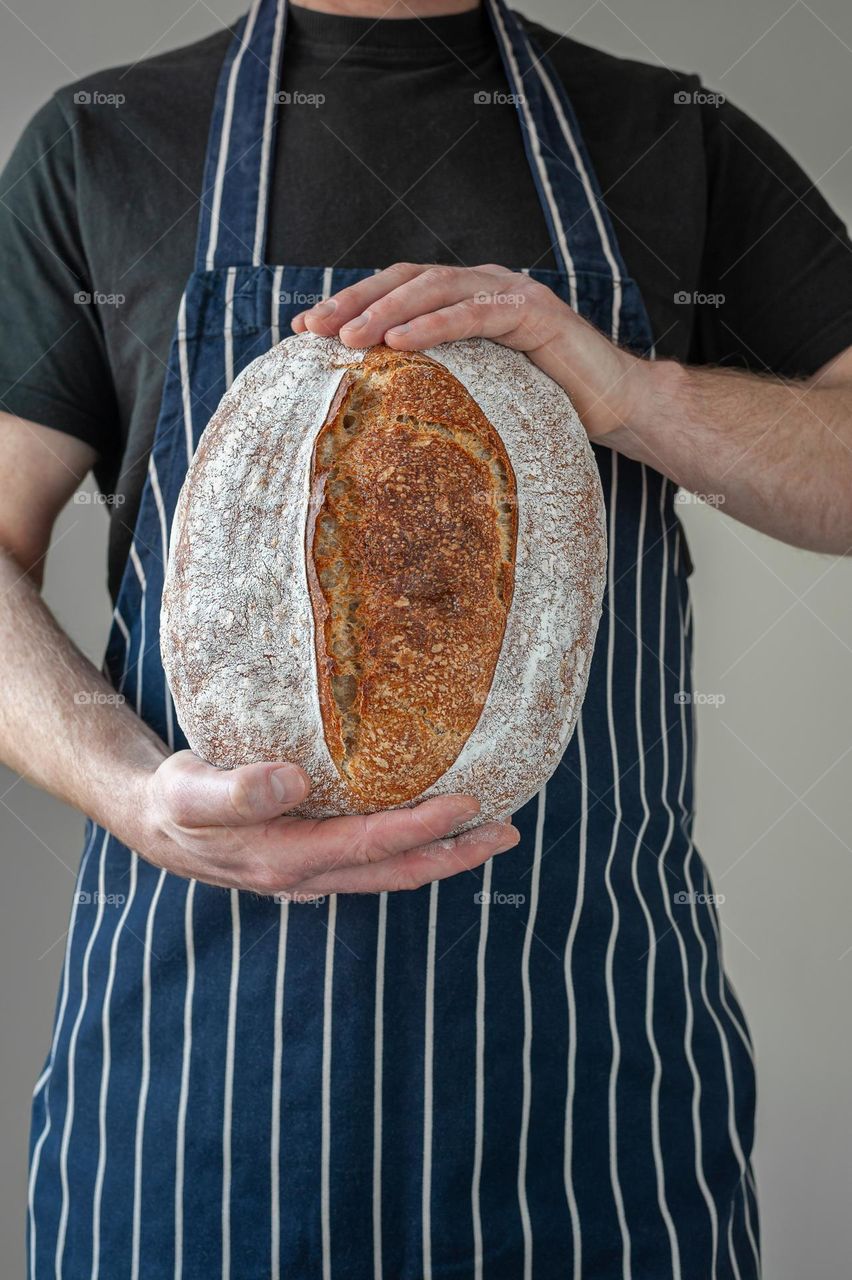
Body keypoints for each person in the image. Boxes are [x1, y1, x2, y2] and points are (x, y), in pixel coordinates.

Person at [1, 0, 850, 1275]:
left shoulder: (672, 137)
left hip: (585, 1096)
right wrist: (132, 790)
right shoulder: (103, 142)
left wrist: (632, 392)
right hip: (195, 1095)